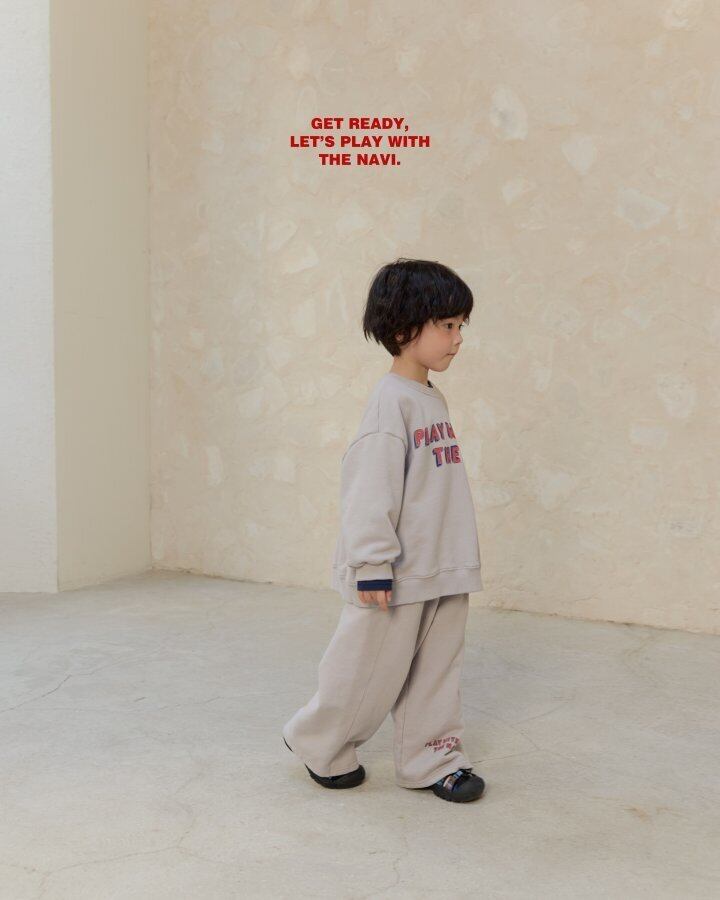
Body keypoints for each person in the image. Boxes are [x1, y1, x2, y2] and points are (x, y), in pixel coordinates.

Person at [282, 258, 486, 803]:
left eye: (461, 326)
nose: (458, 339)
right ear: (403, 330)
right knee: (366, 670)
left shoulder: (430, 397)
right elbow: (370, 488)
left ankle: (432, 759)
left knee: (437, 672)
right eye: (447, 325)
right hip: (395, 572)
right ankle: (319, 742)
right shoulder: (389, 404)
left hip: (442, 565)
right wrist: (373, 563)